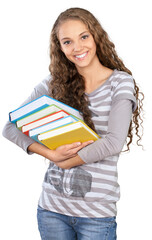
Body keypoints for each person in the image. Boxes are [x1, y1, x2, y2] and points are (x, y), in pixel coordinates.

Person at [2, 7, 144, 240]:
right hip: (51, 210)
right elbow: (9, 127)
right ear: (60, 47)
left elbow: (114, 142)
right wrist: (51, 155)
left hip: (96, 215)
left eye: (84, 36)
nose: (77, 47)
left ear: (96, 36)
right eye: (67, 41)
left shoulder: (120, 83)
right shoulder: (53, 84)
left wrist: (67, 162)